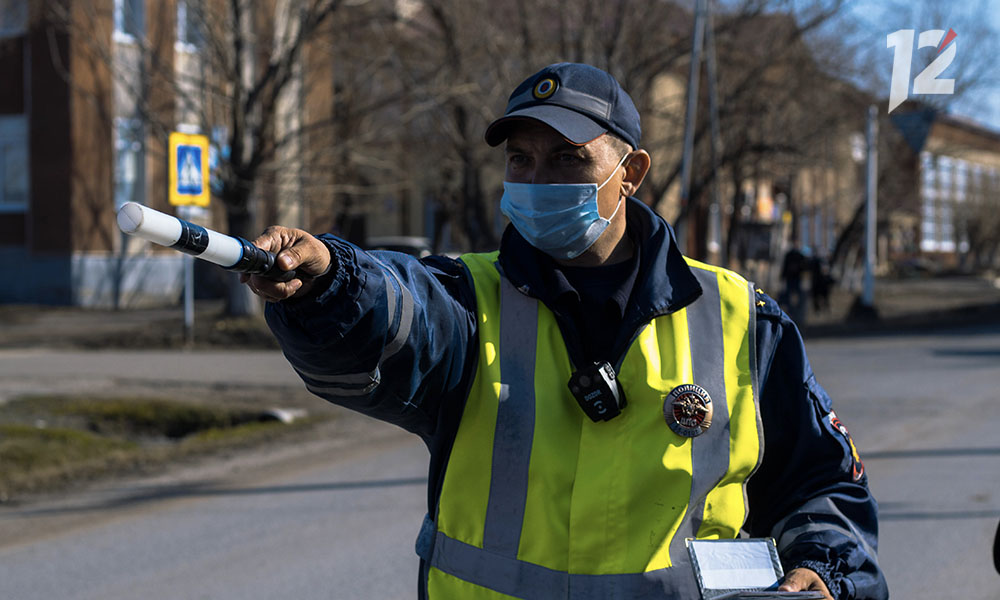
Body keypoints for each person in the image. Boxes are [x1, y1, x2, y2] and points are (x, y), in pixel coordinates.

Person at [242, 63, 888, 600]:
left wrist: (821, 572)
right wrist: (330, 283)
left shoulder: (742, 317)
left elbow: (820, 483)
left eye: (568, 158)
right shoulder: (468, 299)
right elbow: (392, 313)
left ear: (630, 173)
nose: (537, 180)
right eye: (521, 159)